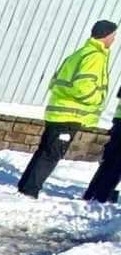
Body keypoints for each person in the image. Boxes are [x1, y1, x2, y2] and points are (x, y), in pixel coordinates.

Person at [17, 19, 116, 198]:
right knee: (51, 154)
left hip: (58, 112)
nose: (115, 39)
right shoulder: (95, 56)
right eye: (114, 35)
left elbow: (55, 81)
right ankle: (30, 191)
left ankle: (26, 187)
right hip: (69, 115)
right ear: (107, 36)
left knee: (45, 151)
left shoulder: (80, 53)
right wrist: (96, 100)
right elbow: (83, 86)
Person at [82, 88, 121, 204]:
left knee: (109, 161)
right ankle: (102, 196)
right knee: (117, 164)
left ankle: (91, 193)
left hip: (118, 121)